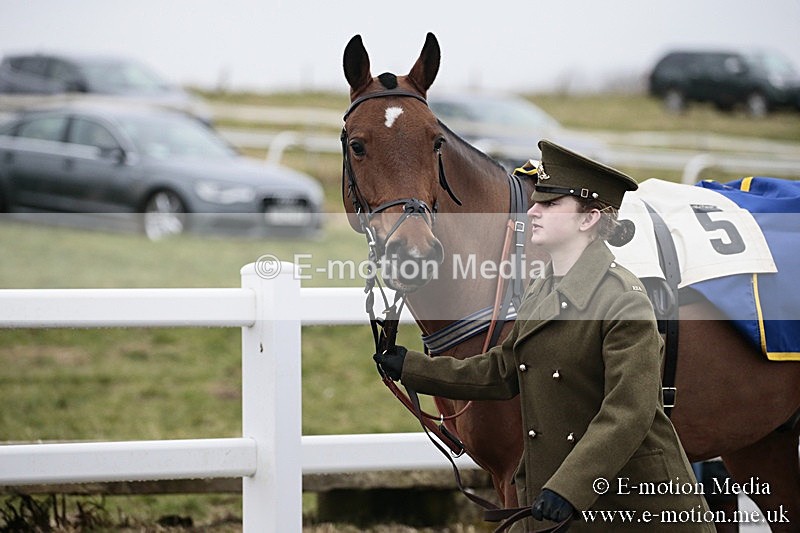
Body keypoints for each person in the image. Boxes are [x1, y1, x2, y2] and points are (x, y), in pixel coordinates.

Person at [374, 140, 714, 532]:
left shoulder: (623, 301)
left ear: (588, 219)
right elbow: (501, 370)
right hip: (561, 503)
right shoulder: (541, 287)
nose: (532, 210)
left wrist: (568, 488)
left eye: (550, 204)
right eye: (535, 201)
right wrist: (411, 368)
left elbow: (628, 413)